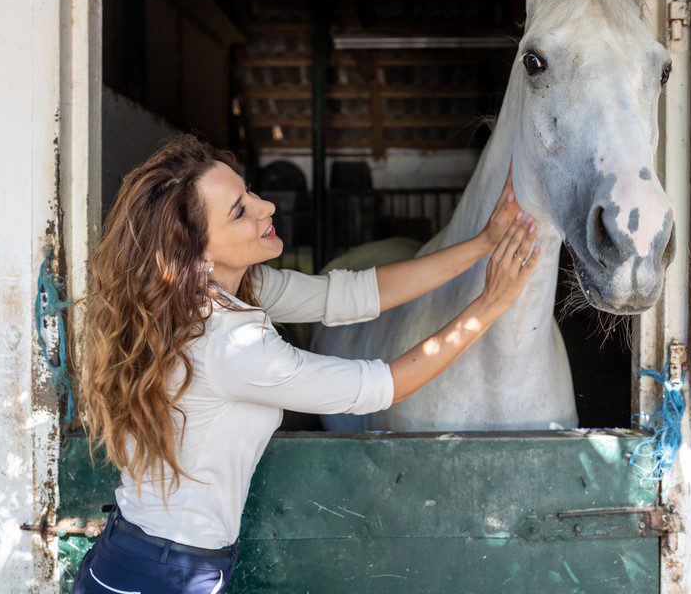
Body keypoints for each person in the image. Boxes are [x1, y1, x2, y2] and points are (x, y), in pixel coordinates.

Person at [72, 133, 540, 593]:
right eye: (240, 211)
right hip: (161, 574)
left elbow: (350, 295)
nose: (266, 207)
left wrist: (483, 243)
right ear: (197, 254)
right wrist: (491, 304)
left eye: (248, 191)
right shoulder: (231, 343)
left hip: (155, 556)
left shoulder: (225, 292)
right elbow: (380, 387)